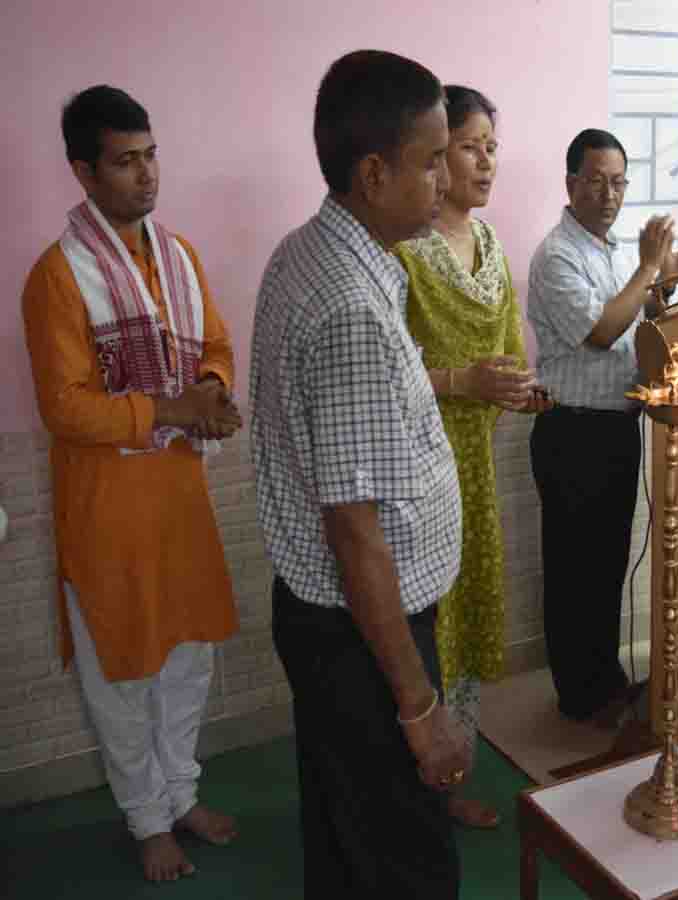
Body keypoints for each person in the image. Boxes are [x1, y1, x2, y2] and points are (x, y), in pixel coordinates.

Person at [250, 52, 471, 898]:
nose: (449, 175)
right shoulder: (350, 309)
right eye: (433, 158)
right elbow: (356, 532)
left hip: (329, 619)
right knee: (403, 858)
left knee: (347, 839)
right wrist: (419, 712)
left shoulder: (307, 250)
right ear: (374, 174)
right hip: (363, 635)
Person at [21, 85, 242, 883]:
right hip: (106, 509)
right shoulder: (57, 276)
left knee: (187, 660)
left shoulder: (177, 257)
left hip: (179, 498)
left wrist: (211, 392)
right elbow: (66, 408)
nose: (146, 176)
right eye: (125, 162)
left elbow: (214, 340)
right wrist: (172, 406)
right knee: (122, 669)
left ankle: (181, 794)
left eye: (151, 156)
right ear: (83, 172)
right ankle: (146, 818)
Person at [393, 85, 549, 829]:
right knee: (424, 621)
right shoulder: (402, 254)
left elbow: (509, 357)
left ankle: (449, 775)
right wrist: (462, 381)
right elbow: (383, 377)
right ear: (432, 155)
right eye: (468, 146)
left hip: (476, 468)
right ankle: (409, 773)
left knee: (468, 612)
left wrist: (522, 391)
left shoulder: (488, 246)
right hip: (417, 469)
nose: (486, 160)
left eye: (492, 145)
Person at [527, 129, 678, 727]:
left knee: (604, 566)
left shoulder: (613, 251)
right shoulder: (557, 255)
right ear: (571, 183)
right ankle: (579, 697)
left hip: (616, 429)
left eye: (619, 181)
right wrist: (651, 267)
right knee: (575, 571)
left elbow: (636, 320)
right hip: (572, 433)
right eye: (597, 181)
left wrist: (666, 282)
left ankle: (603, 682)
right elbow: (601, 332)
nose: (609, 193)